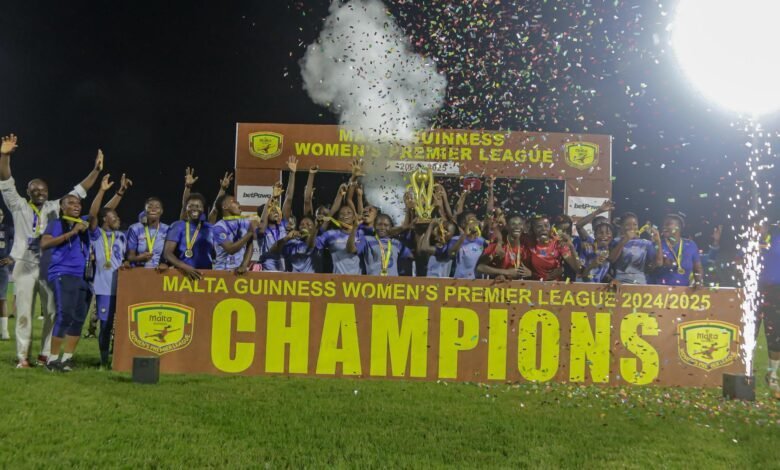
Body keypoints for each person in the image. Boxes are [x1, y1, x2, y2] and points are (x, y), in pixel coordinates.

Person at [0, 134, 102, 368]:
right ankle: (23, 357)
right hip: (24, 264)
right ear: (28, 192)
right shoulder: (18, 205)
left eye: (43, 190)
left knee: (53, 312)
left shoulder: (55, 207)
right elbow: (6, 181)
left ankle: (45, 354)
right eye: (35, 190)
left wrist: (95, 171)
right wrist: (4, 156)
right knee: (24, 313)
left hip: (49, 265)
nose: (40, 193)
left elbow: (79, 191)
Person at [40, 175, 110, 372]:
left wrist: (102, 190)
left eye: (78, 203)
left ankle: (67, 359)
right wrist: (72, 232)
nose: (76, 205)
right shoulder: (56, 223)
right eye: (71, 203)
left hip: (84, 277)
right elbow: (45, 243)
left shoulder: (84, 223)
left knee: (79, 318)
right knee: (65, 315)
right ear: (62, 207)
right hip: (62, 273)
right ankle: (52, 359)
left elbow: (95, 214)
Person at [88, 175, 129, 368]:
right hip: (104, 289)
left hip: (123, 288)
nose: (118, 219)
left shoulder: (122, 236)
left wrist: (127, 262)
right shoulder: (96, 235)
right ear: (105, 219)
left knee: (121, 325)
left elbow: (127, 257)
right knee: (105, 325)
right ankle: (104, 361)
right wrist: (103, 191)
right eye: (114, 217)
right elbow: (94, 214)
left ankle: (119, 359)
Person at [257, 157, 297, 271]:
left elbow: (288, 199)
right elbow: (262, 222)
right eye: (272, 210)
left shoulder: (283, 224)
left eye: (276, 209)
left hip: (284, 270)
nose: (276, 211)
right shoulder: (261, 231)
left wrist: (292, 173)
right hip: (267, 272)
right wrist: (273, 198)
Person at [164, 193, 214, 280]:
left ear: (203, 209)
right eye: (190, 206)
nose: (194, 208)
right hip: (182, 274)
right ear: (185, 208)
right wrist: (185, 267)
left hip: (206, 275)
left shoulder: (210, 228)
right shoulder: (177, 226)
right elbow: (167, 253)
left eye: (198, 206)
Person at [758, 221, 780, 398]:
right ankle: (744, 372)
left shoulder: (776, 241)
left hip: (776, 293)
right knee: (748, 333)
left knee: (776, 335)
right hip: (755, 290)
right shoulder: (751, 241)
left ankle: (772, 375)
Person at [522, 215, 581, 281]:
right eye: (539, 226)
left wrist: (571, 246)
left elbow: (578, 269)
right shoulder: (529, 244)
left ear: (550, 228)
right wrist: (532, 274)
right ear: (533, 229)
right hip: (534, 285)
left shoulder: (558, 244)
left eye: (546, 226)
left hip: (554, 286)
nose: (543, 229)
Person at [609, 212, 662, 285]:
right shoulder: (616, 241)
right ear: (621, 227)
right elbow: (611, 260)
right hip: (619, 282)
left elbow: (659, 263)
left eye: (635, 224)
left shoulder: (645, 243)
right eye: (628, 225)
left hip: (640, 283)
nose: (632, 227)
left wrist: (658, 242)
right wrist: (624, 240)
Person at [653, 214, 703, 287]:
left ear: (678, 228)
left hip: (683, 291)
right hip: (660, 291)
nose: (664, 227)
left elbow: (697, 268)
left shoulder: (690, 245)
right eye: (663, 225)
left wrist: (698, 281)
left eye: (668, 224)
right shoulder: (658, 244)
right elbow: (651, 266)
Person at [477, 215, 532, 280]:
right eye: (513, 224)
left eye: (520, 224)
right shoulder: (499, 246)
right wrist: (506, 272)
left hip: (521, 284)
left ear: (523, 226)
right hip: (500, 284)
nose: (517, 227)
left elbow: (534, 268)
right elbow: (480, 267)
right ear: (507, 227)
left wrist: (530, 273)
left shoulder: (526, 246)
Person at [212, 194, 256, 274]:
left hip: (239, 272)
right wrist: (249, 233)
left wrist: (244, 265)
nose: (238, 203)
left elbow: (250, 244)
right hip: (222, 271)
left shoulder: (244, 222)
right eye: (234, 202)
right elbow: (230, 249)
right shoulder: (219, 227)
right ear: (225, 206)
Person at [313, 205, 361, 275]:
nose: (345, 215)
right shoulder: (330, 234)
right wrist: (316, 228)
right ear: (338, 218)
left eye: (349, 213)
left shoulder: (360, 235)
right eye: (341, 213)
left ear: (354, 217)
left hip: (358, 279)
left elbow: (351, 250)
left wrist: (355, 228)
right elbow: (312, 245)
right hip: (337, 278)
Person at [126, 197, 169, 269]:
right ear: (145, 211)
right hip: (139, 270)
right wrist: (139, 258)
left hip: (159, 271)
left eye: (157, 207)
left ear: (161, 211)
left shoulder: (167, 229)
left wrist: (165, 264)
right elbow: (130, 257)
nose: (153, 209)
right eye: (150, 207)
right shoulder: (135, 228)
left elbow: (170, 254)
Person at [448, 213, 486, 280]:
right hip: (458, 279)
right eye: (471, 220)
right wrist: (465, 234)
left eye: (475, 220)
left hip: (475, 280)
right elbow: (451, 254)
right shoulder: (456, 239)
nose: (474, 223)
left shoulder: (482, 241)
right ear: (463, 224)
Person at [0, 208, 14, 340]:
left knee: (2, 299)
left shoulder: (8, 229)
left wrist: (11, 257)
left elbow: (19, 243)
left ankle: (4, 332)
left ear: (3, 216)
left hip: (2, 267)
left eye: (0, 214)